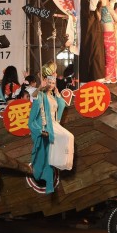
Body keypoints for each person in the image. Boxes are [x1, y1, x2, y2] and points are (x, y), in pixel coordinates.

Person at [29, 62, 74, 194]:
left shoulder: (52, 97)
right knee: (65, 138)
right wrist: (40, 87)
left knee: (69, 137)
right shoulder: (41, 96)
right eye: (51, 82)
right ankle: (49, 181)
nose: (52, 84)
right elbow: (34, 98)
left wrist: (57, 92)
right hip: (46, 125)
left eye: (54, 82)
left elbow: (61, 104)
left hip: (54, 123)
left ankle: (61, 163)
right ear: (45, 81)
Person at [78, 0, 106, 83]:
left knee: (97, 60)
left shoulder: (92, 0)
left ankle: (99, 82)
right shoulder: (82, 0)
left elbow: (97, 14)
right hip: (88, 35)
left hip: (96, 35)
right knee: (88, 59)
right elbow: (91, 10)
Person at [99, 0, 117, 80]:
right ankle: (109, 78)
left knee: (106, 58)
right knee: (111, 58)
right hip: (110, 36)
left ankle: (106, 76)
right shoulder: (108, 8)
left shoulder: (98, 9)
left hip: (102, 36)